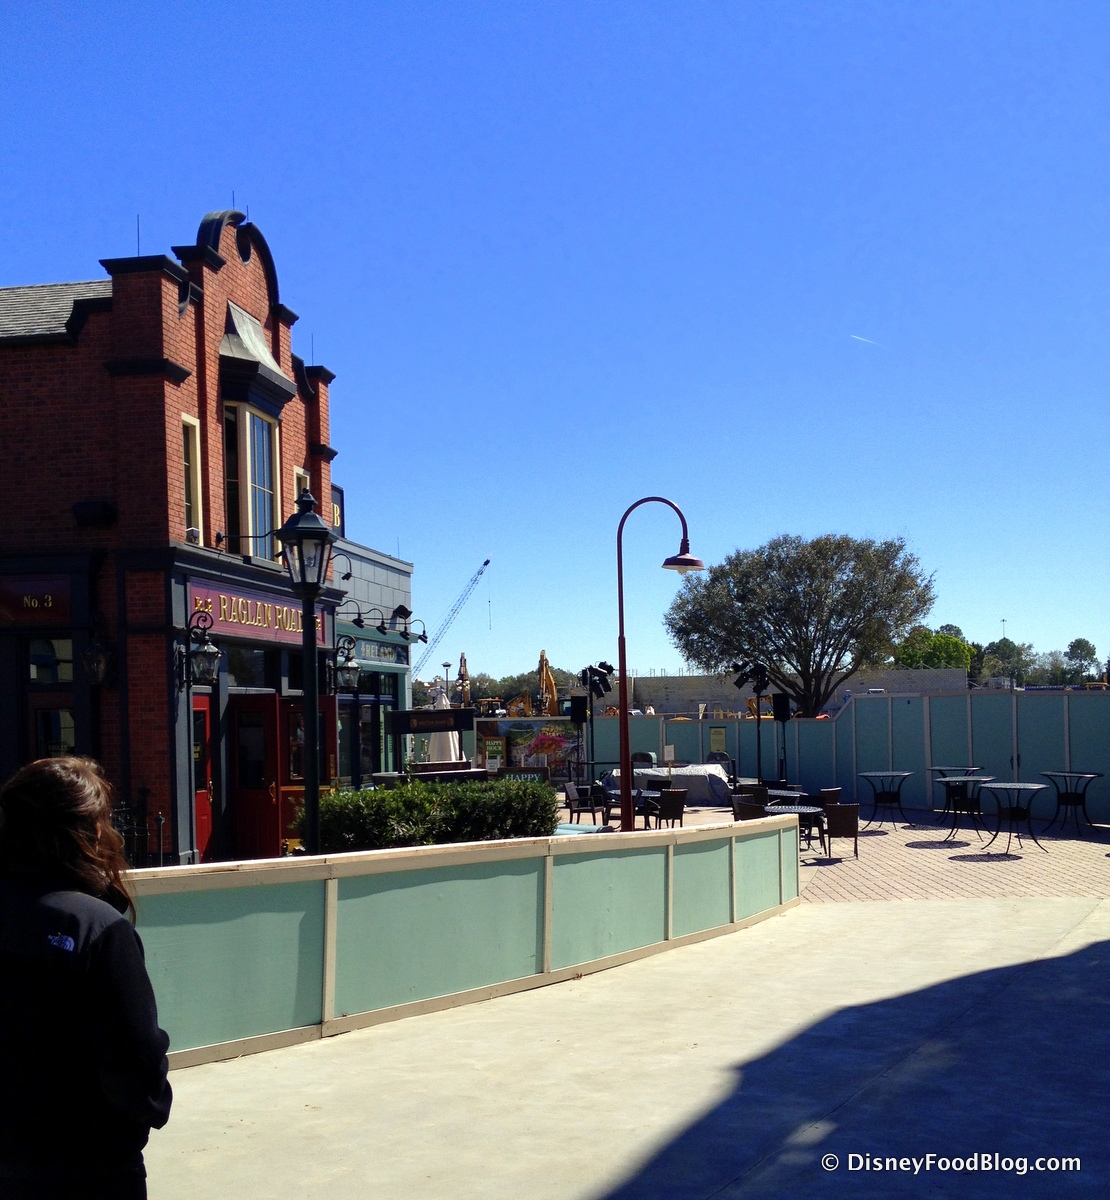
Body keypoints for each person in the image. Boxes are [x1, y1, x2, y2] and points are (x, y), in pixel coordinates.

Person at [0, 757, 172, 1199]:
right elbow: (136, 1055)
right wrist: (147, 1111)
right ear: (89, 830)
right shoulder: (96, 927)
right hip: (85, 1164)